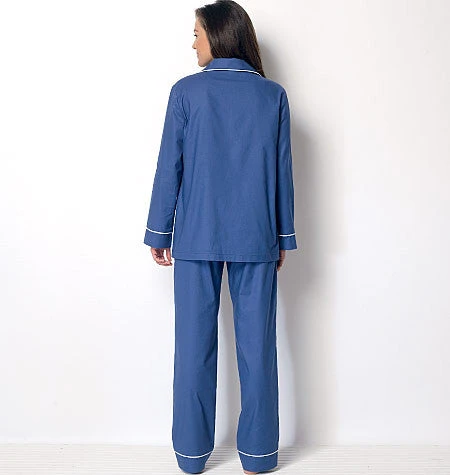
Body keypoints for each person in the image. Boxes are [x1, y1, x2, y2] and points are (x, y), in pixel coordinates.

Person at [143, 1, 298, 473]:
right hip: (256, 235)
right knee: (259, 350)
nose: (193, 43)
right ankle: (259, 457)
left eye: (196, 34)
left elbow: (169, 166)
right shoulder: (272, 96)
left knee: (193, 348)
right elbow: (282, 174)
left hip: (196, 234)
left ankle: (191, 458)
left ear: (218, 34)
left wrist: (159, 230)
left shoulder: (186, 93)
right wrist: (282, 236)